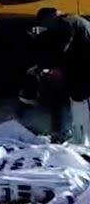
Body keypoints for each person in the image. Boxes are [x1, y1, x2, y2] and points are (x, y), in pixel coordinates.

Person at [35, 8, 90, 145]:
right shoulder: (74, 20)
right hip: (80, 69)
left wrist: (52, 67)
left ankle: (80, 141)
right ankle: (76, 138)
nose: (46, 27)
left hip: (85, 70)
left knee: (82, 106)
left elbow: (62, 48)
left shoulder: (67, 23)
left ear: (52, 16)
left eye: (45, 23)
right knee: (77, 105)